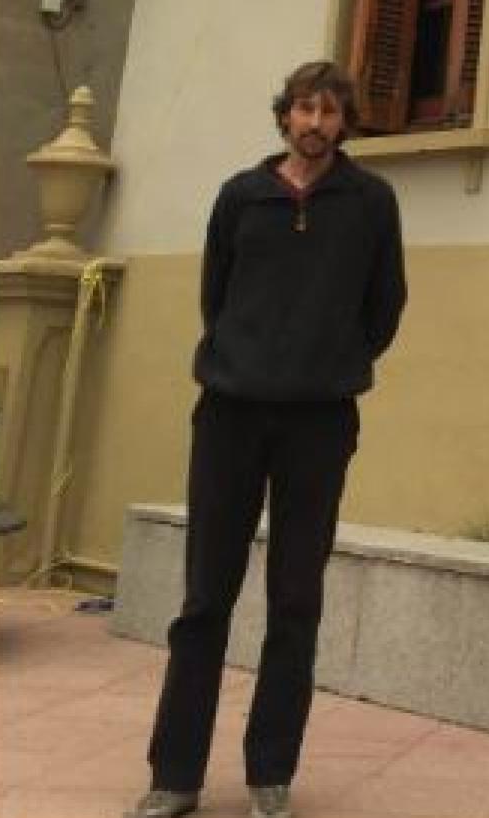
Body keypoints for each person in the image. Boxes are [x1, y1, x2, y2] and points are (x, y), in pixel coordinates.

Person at [128, 61, 407, 818]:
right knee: (203, 599)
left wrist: (329, 363)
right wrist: (244, 362)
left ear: (346, 122)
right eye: (304, 110)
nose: (316, 123)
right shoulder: (241, 197)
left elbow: (385, 307)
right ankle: (175, 775)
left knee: (295, 599)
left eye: (330, 111)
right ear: (285, 118)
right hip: (230, 415)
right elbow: (214, 297)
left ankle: (270, 774)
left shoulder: (371, 203)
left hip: (319, 422)